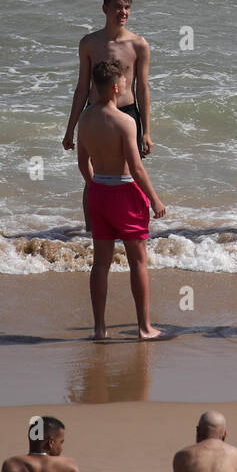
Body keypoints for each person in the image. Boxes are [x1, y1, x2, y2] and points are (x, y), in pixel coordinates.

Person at [76, 59, 166, 340]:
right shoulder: (126, 122)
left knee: (100, 263)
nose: (127, 84)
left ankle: (99, 328)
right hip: (125, 194)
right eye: (125, 81)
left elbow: (82, 163)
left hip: (99, 192)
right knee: (138, 262)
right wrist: (155, 200)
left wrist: (95, 187)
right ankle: (144, 327)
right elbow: (136, 167)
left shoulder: (85, 119)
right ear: (116, 87)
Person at [63, 0, 152, 231]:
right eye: (117, 7)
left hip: (127, 113)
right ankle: (92, 230)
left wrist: (146, 131)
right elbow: (82, 87)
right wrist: (70, 129)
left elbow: (143, 89)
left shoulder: (139, 45)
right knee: (93, 174)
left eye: (126, 8)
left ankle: (133, 227)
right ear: (105, 9)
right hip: (96, 111)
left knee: (134, 171)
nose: (122, 12)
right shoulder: (89, 43)